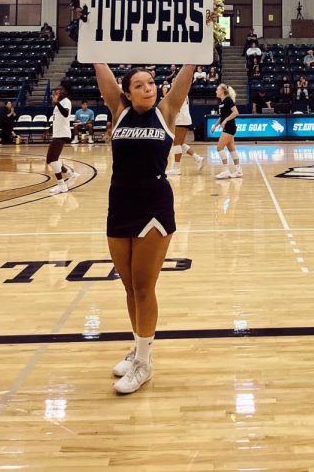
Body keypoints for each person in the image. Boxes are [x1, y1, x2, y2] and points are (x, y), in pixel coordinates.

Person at [93, 61, 195, 394]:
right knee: (127, 287)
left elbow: (184, 76)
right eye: (139, 85)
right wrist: (91, 39)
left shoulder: (166, 112)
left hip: (154, 203)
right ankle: (138, 348)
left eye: (151, 83)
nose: (148, 88)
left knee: (143, 287)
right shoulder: (118, 110)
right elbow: (101, 66)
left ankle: (145, 364)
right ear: (126, 92)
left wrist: (200, 42)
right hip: (120, 200)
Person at [48, 84, 76, 194]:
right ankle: (70, 173)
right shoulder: (60, 102)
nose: (58, 91)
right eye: (58, 89)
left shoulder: (66, 101)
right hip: (58, 133)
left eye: (61, 89)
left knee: (51, 159)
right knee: (55, 159)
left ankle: (62, 185)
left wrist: (57, 103)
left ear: (65, 92)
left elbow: (65, 114)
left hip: (62, 133)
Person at [168, 94, 204, 175]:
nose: (173, 82)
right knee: (180, 143)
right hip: (185, 119)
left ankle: (176, 168)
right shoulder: (183, 92)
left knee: (176, 143)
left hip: (180, 119)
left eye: (174, 81)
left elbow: (176, 109)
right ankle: (197, 158)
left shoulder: (179, 92)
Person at [213, 84, 241, 180]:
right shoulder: (221, 103)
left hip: (230, 127)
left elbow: (236, 112)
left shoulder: (228, 100)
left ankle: (225, 171)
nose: (216, 91)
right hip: (227, 127)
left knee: (219, 148)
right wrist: (215, 126)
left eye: (217, 89)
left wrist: (225, 121)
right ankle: (238, 170)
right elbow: (222, 117)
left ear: (222, 91)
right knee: (231, 149)